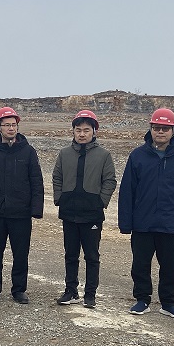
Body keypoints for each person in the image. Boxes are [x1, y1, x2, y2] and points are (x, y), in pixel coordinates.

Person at [117, 108, 174, 318]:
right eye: (156, 128)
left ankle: (168, 303)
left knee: (170, 266)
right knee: (140, 265)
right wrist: (125, 223)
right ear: (150, 129)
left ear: (173, 131)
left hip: (171, 224)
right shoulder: (137, 156)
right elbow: (127, 192)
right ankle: (142, 299)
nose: (160, 132)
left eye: (165, 128)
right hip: (143, 223)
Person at [0, 107, 44, 304]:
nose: (11, 128)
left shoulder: (28, 152)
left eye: (14, 125)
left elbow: (37, 181)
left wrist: (36, 209)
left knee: (20, 255)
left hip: (21, 214)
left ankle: (19, 290)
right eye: (7, 125)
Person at [52, 110, 117, 309]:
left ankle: (90, 294)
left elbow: (110, 181)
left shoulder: (103, 155)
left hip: (92, 214)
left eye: (86, 130)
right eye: (78, 130)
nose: (82, 134)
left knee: (92, 256)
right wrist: (60, 198)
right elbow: (57, 177)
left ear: (94, 131)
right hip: (69, 213)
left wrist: (100, 202)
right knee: (71, 255)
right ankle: (71, 291)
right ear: (73, 131)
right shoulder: (64, 154)